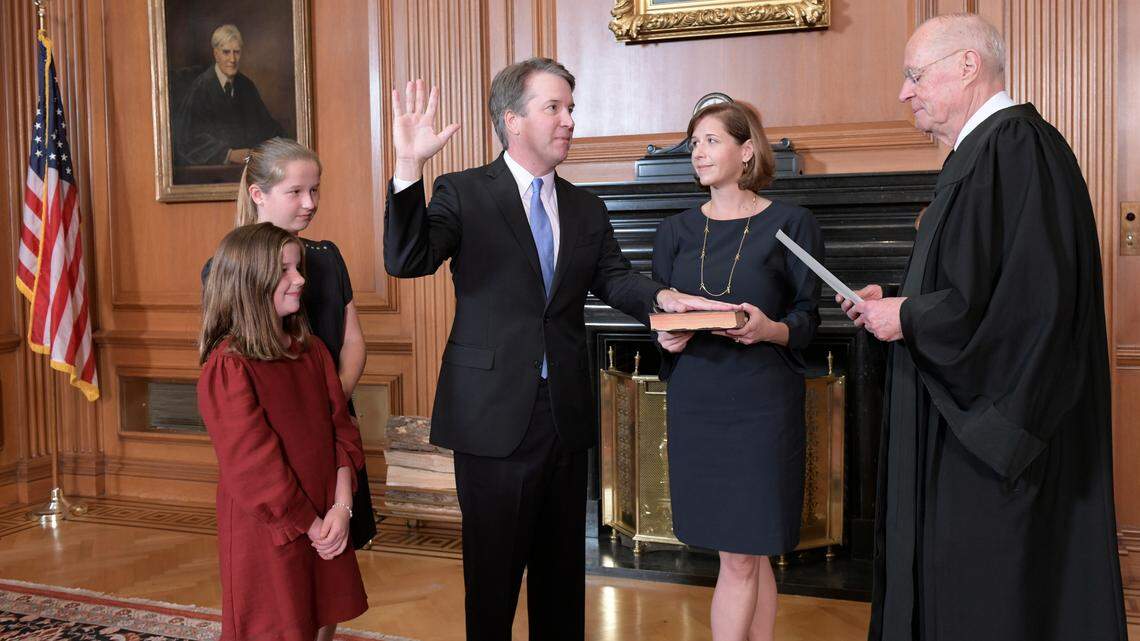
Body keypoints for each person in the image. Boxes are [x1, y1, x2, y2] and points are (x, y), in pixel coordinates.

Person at [383, 59, 734, 641]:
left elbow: (615, 279)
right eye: (555, 107)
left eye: (571, 107)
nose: (570, 120)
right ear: (512, 120)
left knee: (561, 583)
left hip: (564, 417)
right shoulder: (464, 192)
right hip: (492, 418)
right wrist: (407, 166)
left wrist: (665, 296)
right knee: (492, 586)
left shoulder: (585, 207)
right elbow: (407, 260)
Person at [838, 13, 1128, 641]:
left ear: (967, 66)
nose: (903, 92)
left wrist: (910, 317)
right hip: (958, 426)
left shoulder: (1016, 147)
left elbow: (1029, 307)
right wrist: (895, 302)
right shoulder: (986, 152)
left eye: (915, 75)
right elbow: (972, 284)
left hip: (993, 448)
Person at [652, 101, 821, 641]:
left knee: (744, 556)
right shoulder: (674, 231)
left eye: (711, 141)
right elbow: (660, 318)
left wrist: (767, 329)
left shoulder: (791, 223)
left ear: (747, 150)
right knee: (749, 554)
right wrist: (668, 338)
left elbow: (809, 319)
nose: (698, 152)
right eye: (693, 142)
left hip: (761, 405)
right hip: (698, 402)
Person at [201, 137, 376, 550]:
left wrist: (330, 405)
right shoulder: (229, 265)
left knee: (338, 557)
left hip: (334, 432)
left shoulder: (328, 257)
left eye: (315, 189)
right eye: (296, 191)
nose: (310, 202)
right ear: (258, 194)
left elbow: (353, 341)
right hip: (278, 439)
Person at [197, 222, 368, 641]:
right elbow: (255, 466)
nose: (300, 280)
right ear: (251, 282)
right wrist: (310, 525)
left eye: (299, 268)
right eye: (287, 271)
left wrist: (341, 509)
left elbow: (340, 430)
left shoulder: (310, 350)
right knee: (274, 629)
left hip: (326, 516)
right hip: (272, 529)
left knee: (313, 624)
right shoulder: (229, 365)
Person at [174, 24, 285, 167]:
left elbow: (267, 127)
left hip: (247, 169)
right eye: (226, 52)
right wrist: (229, 154)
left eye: (236, 52)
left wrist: (287, 144)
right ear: (216, 54)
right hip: (212, 174)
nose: (232, 59)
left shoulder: (246, 86)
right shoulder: (201, 88)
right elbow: (188, 139)